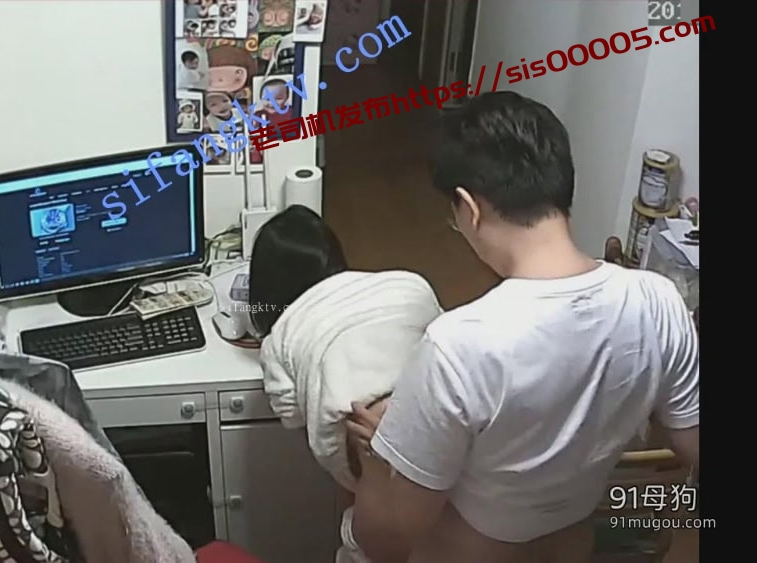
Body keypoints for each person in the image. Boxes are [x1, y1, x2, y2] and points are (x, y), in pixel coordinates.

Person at [344, 91, 700, 563]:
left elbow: (389, 537)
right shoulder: (659, 302)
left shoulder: (457, 346)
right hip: (573, 544)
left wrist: (380, 455)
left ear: (469, 208)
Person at [250, 205, 443, 563]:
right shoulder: (409, 283)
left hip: (372, 461)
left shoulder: (279, 338)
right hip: (448, 442)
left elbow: (295, 418)